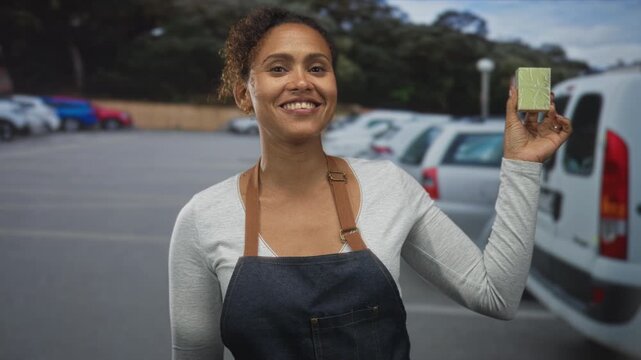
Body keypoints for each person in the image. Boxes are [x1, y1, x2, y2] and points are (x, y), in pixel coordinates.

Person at [168, 7, 571, 360]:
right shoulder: (203, 218)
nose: (302, 81)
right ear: (244, 94)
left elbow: (497, 295)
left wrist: (521, 165)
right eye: (278, 68)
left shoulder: (389, 186)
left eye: (317, 67)